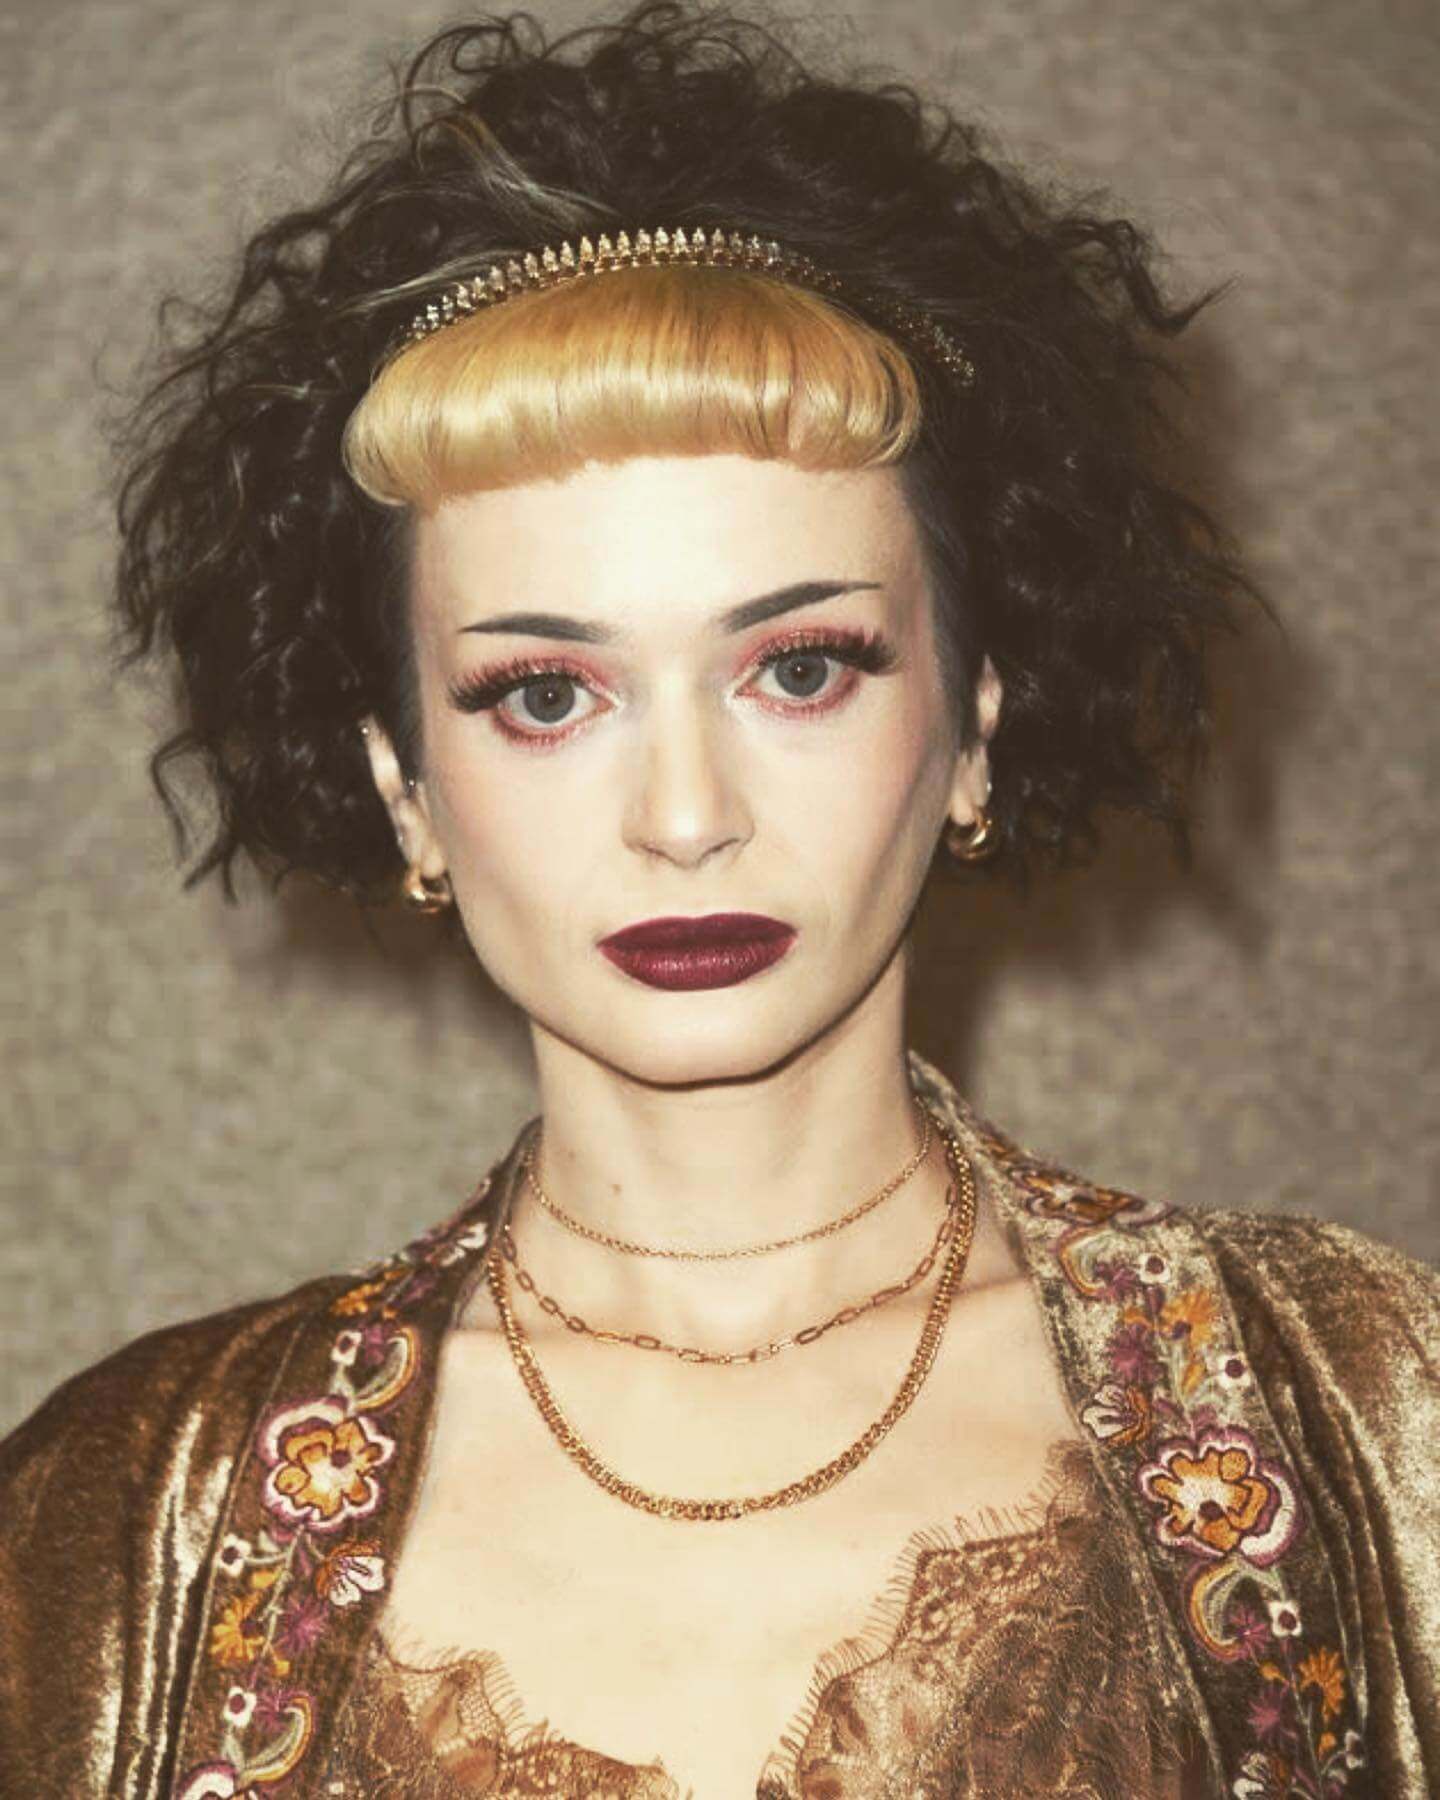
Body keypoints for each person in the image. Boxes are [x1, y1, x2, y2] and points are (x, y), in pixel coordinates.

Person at [0, 3, 1435, 1795]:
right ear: (400, 785)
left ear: (979, 722)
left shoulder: (1362, 1419)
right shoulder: (118, 1522)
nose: (686, 818)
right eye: (546, 694)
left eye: (802, 669)